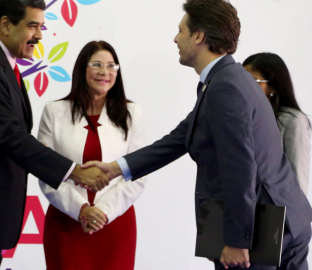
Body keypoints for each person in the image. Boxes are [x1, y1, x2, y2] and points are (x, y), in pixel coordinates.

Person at [82, 0, 312, 269]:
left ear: (199, 36)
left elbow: (240, 167)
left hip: (262, 229)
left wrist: (238, 240)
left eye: (181, 30)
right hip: (282, 218)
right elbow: (179, 138)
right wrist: (116, 168)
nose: (175, 38)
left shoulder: (226, 88)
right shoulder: (224, 80)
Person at [0, 0, 109, 269]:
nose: (40, 35)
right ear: (6, 24)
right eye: (32, 26)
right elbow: (10, 136)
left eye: (42, 26)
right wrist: (75, 172)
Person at [38, 41, 146, 270]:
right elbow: (45, 170)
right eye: (97, 64)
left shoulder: (132, 113)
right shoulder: (54, 112)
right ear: (81, 69)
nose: (104, 72)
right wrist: (81, 210)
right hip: (66, 221)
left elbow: (138, 173)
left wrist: (103, 213)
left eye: (111, 65)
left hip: (115, 222)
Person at [243, 53, 311, 195]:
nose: (244, 86)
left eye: (253, 81)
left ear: (273, 87)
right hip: (242, 206)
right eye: (242, 80)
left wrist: (290, 215)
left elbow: (297, 177)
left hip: (274, 209)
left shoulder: (293, 121)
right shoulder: (241, 118)